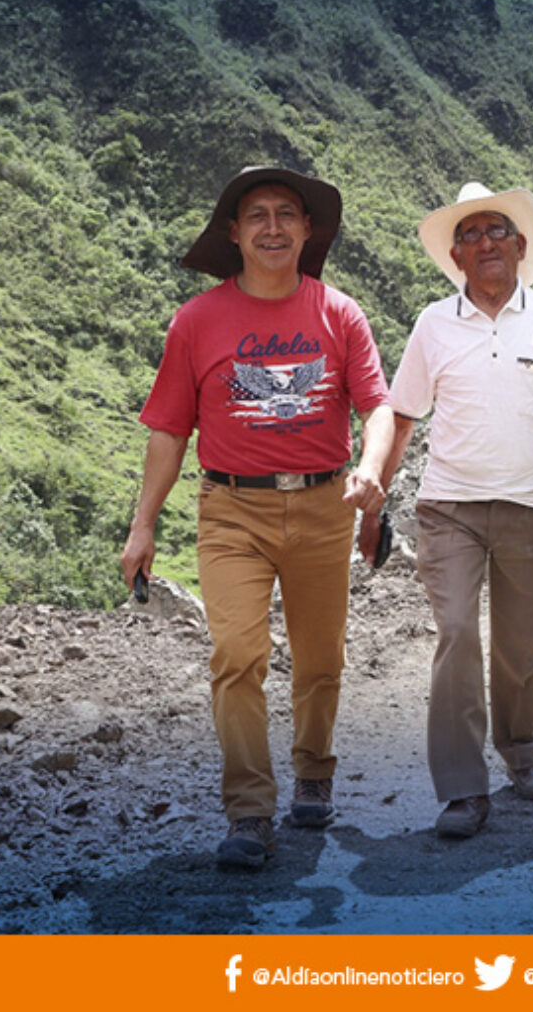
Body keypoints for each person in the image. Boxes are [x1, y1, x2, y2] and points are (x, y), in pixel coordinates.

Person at [121, 166, 393, 869]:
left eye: (286, 214)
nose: (272, 227)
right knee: (237, 655)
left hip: (325, 503)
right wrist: (141, 525)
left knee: (319, 658)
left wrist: (372, 469)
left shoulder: (340, 314)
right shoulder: (197, 321)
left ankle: (314, 769)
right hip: (231, 509)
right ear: (235, 234)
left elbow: (379, 407)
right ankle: (249, 809)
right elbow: (168, 429)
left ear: (307, 231)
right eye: (256, 216)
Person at [368, 182, 533, 839]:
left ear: (521, 246)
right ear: (456, 257)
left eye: (497, 230)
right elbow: (403, 415)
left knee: (528, 647)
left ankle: (522, 749)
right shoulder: (432, 324)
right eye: (471, 236)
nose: (486, 244)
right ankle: (462, 789)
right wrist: (375, 498)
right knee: (456, 633)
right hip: (450, 508)